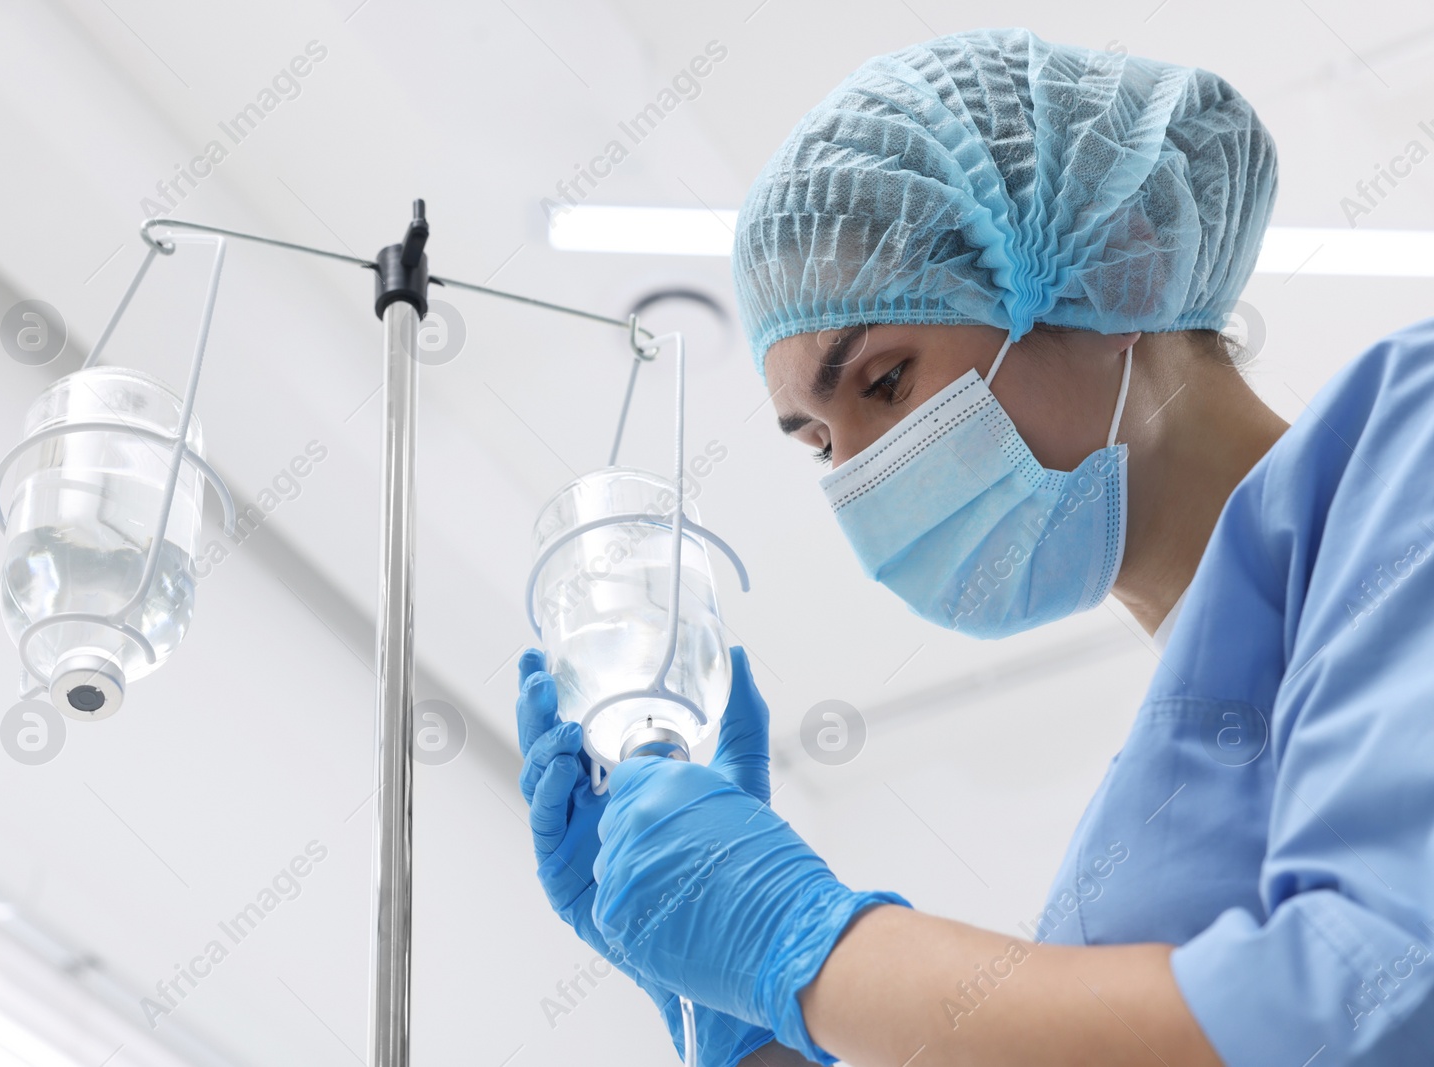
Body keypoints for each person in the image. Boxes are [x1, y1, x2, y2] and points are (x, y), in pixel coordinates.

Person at [516, 27, 1434, 1066]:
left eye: (884, 383)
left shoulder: (1411, 444)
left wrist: (805, 946)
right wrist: (751, 1023)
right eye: (821, 446)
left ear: (1121, 260)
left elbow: (1366, 1000)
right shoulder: (1144, 813)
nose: (864, 477)